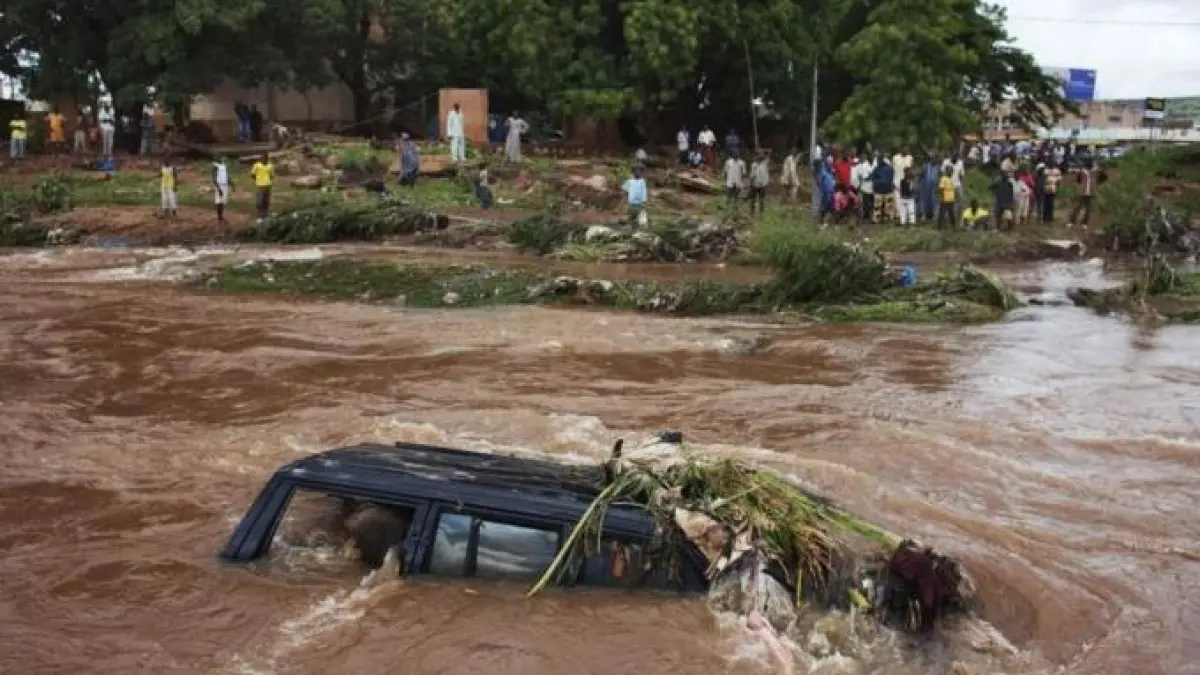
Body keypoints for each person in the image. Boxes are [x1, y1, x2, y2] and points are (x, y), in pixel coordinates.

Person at [1070, 159, 1099, 227]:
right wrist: (1081, 185)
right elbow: (1078, 179)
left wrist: (1095, 183)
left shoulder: (1096, 171)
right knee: (1077, 207)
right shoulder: (1082, 171)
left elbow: (1103, 177)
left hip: (1091, 192)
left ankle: (1084, 223)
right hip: (1082, 192)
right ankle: (1071, 221)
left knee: (1088, 209)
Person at [249, 153, 275, 223]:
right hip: (260, 186)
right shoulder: (257, 165)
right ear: (260, 158)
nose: (263, 159)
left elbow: (272, 175)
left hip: (267, 185)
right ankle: (260, 216)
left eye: (265, 158)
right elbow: (252, 175)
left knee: (266, 201)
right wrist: (257, 179)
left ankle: (266, 216)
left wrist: (268, 181)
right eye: (262, 158)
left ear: (267, 158)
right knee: (259, 202)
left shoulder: (270, 166)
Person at [870, 157, 896, 224]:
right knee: (878, 206)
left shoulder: (889, 168)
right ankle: (878, 219)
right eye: (878, 161)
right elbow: (872, 178)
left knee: (888, 206)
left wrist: (879, 182)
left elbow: (891, 178)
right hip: (880, 190)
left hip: (887, 189)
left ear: (882, 160)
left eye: (879, 161)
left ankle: (887, 218)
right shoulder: (876, 169)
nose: (878, 162)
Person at [855, 153, 877, 222]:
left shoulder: (876, 164)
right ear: (868, 157)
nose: (871, 157)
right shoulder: (863, 165)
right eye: (870, 156)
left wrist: (872, 176)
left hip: (874, 187)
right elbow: (860, 176)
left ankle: (873, 218)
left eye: (872, 156)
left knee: (873, 203)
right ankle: (866, 217)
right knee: (865, 204)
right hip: (865, 187)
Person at [212, 156, 233, 224]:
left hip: (225, 185)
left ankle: (221, 216)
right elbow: (214, 179)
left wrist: (232, 184)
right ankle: (219, 217)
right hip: (219, 185)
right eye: (221, 158)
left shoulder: (223, 166)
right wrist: (218, 189)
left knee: (223, 202)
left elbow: (226, 176)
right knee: (219, 201)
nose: (222, 159)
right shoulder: (215, 167)